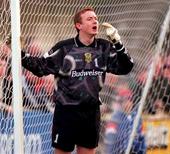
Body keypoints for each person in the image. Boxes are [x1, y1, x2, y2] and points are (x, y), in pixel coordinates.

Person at [20, 7, 134, 154]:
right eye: (90, 18)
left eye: (96, 18)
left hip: (91, 112)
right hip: (66, 111)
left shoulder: (104, 47)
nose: (95, 21)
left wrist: (117, 42)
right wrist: (20, 53)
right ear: (78, 26)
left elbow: (126, 67)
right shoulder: (64, 48)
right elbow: (40, 67)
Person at [104, 88, 146, 154]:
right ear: (121, 103)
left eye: (130, 100)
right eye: (125, 101)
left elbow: (142, 139)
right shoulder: (115, 118)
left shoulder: (137, 118)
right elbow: (110, 141)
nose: (128, 104)